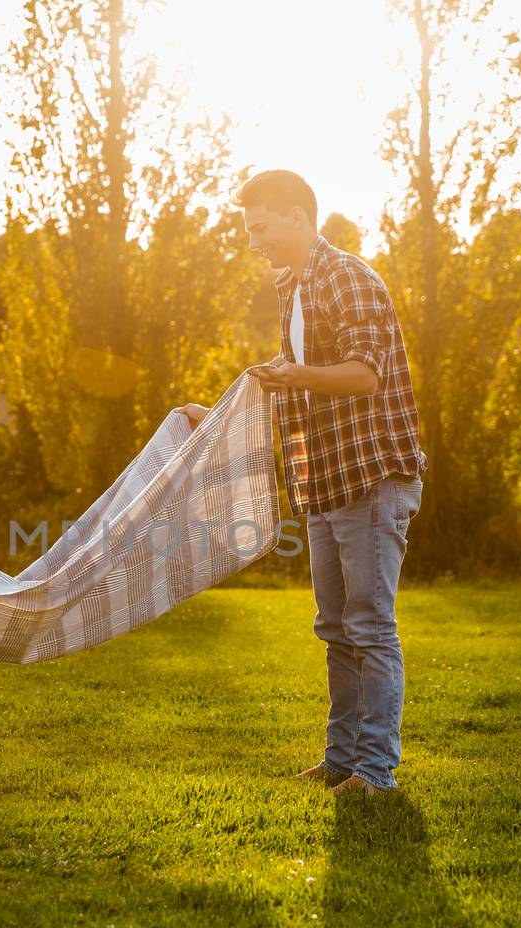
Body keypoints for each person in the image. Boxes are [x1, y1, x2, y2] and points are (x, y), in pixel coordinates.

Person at [181, 170, 427, 796]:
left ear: (297, 215)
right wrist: (219, 423)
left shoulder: (347, 277)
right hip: (321, 484)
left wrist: (295, 375)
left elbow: (363, 375)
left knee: (369, 626)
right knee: (336, 628)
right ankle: (342, 762)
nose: (254, 242)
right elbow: (293, 392)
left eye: (260, 228)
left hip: (370, 478)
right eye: (249, 231)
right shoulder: (291, 289)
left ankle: (377, 772)